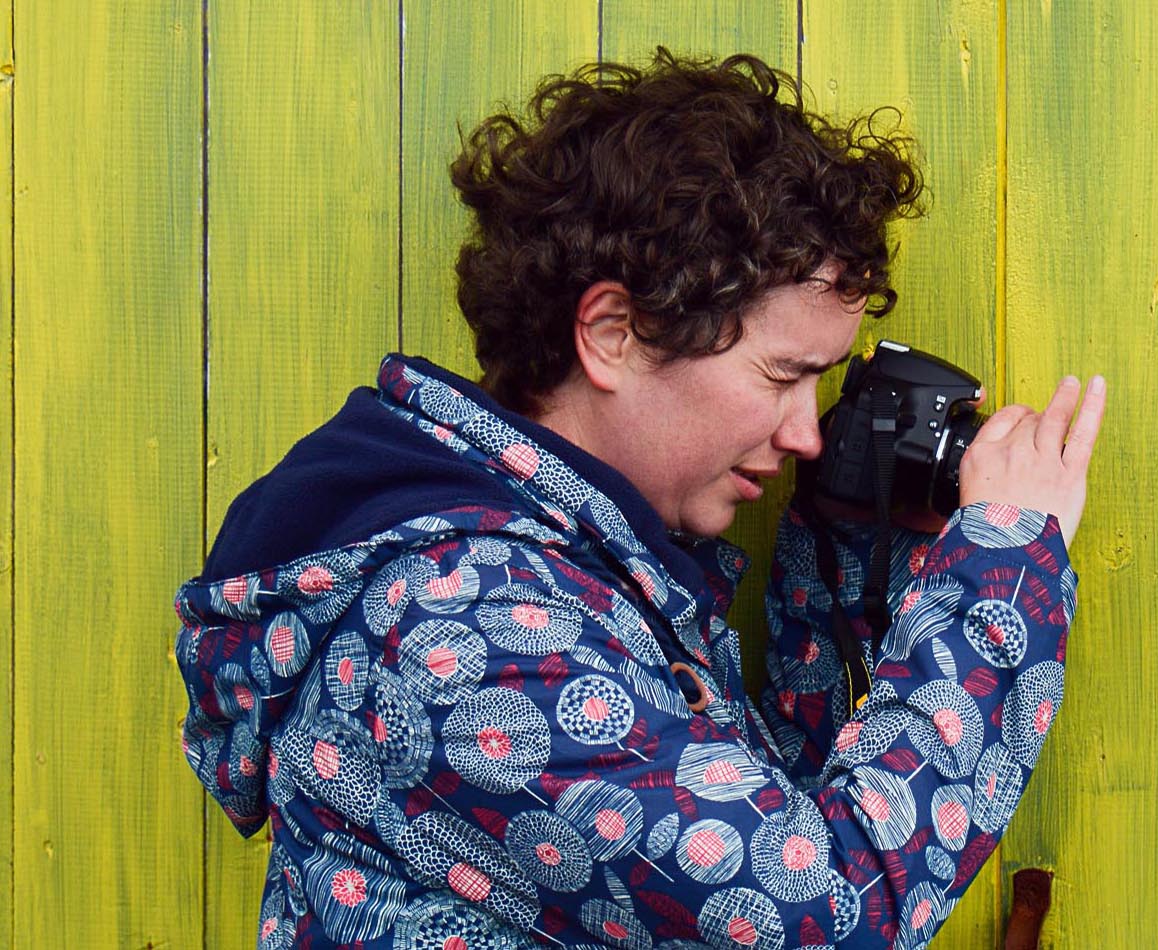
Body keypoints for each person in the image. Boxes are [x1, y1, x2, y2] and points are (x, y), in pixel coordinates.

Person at [172, 50, 1106, 949]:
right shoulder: (467, 629)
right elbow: (821, 917)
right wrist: (999, 570)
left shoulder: (575, 569)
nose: (806, 432)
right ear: (613, 334)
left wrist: (842, 551)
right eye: (782, 375)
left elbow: (738, 825)